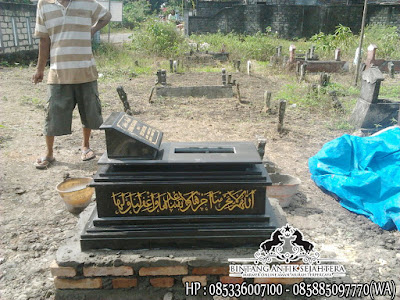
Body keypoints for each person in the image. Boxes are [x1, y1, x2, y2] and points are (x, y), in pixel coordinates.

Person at [32, 0, 111, 169]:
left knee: (89, 112)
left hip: (86, 71)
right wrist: (39, 69)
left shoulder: (87, 2)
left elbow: (106, 16)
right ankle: (49, 153)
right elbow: (43, 39)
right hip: (58, 72)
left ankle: (85, 146)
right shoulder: (44, 4)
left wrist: (92, 29)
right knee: (52, 113)